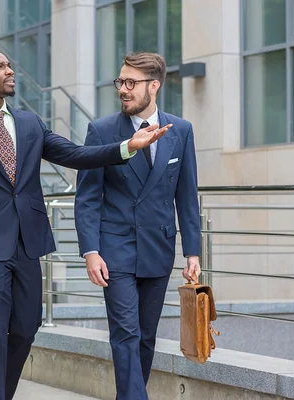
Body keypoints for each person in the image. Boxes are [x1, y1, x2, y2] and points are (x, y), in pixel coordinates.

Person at [0, 49, 171, 400]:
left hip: (29, 242)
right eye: (0, 66)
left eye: (10, 64)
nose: (10, 70)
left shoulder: (30, 123)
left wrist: (125, 147)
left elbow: (75, 155)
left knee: (27, 327)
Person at [74, 52, 201, 400]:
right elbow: (86, 196)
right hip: (115, 249)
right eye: (120, 82)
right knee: (125, 333)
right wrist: (91, 251)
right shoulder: (101, 130)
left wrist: (192, 251)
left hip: (158, 249)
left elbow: (187, 197)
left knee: (145, 336)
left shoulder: (181, 130)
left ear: (154, 86)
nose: (123, 90)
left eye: (131, 83)